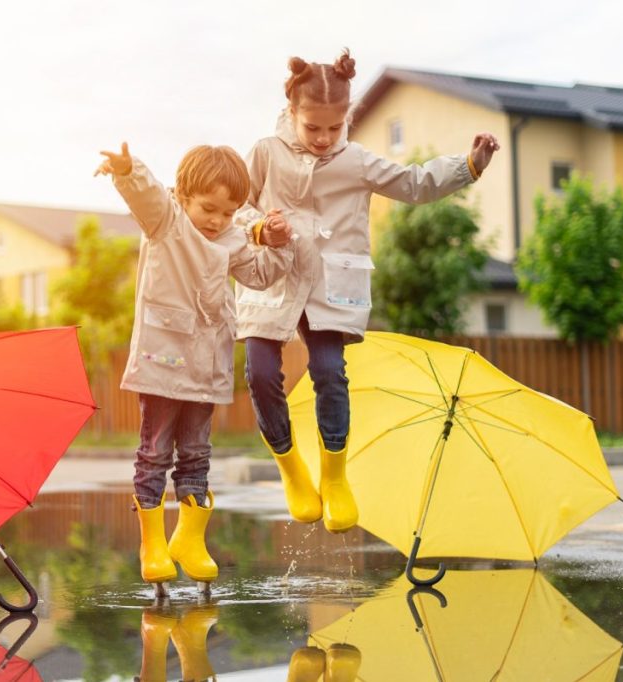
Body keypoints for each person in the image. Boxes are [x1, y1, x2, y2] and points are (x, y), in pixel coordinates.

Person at [236, 49, 499, 533]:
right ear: (291, 113)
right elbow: (236, 205)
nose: (322, 139)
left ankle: (334, 477)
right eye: (312, 128)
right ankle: (292, 469)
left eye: (332, 129)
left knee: (329, 370)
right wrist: (258, 229)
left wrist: (470, 165)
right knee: (260, 371)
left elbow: (415, 184)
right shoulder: (264, 153)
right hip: (273, 275)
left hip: (329, 282)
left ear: (347, 120)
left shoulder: (355, 160)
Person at [95, 142, 292, 590]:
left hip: (207, 366)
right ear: (183, 196)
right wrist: (128, 170)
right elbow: (146, 196)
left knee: (198, 454)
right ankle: (153, 544)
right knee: (154, 452)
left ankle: (189, 540)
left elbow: (260, 275)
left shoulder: (232, 239)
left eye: (227, 212)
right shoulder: (166, 222)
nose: (216, 220)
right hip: (164, 361)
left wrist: (278, 245)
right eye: (208, 208)